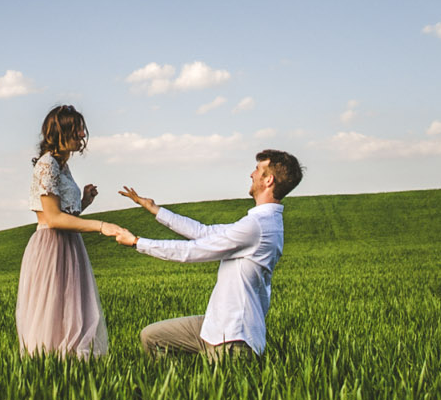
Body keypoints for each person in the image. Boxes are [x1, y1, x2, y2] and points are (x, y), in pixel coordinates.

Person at [109, 150, 302, 362]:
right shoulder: (260, 223)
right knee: (152, 337)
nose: (251, 174)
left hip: (234, 339)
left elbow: (194, 250)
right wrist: (156, 210)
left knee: (215, 393)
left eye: (257, 170)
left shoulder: (257, 226)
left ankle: (184, 390)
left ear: (268, 180)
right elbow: (204, 232)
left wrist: (138, 242)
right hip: (217, 327)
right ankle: (173, 390)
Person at [15, 104, 111, 357]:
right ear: (60, 132)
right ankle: (47, 367)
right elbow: (54, 218)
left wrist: (83, 203)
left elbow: (64, 213)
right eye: (77, 129)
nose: (82, 135)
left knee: (69, 307)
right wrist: (102, 226)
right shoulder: (47, 165)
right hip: (51, 245)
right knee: (52, 308)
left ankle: (66, 368)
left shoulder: (61, 166)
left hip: (68, 244)